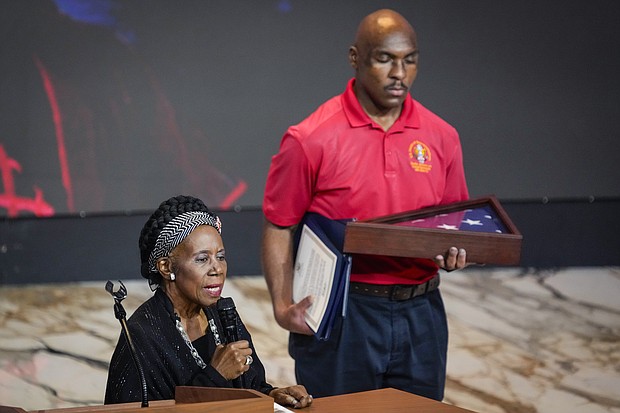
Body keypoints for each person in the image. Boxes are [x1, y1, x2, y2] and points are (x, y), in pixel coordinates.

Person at [262, 9, 469, 401]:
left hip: (422, 312)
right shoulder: (311, 138)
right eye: (385, 59)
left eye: (410, 60)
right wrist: (281, 304)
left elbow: (452, 225)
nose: (399, 73)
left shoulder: (442, 136)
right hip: (344, 313)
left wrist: (456, 252)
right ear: (356, 58)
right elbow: (278, 224)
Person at [105, 195, 312, 408]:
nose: (218, 269)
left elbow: (249, 387)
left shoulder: (222, 313)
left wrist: (274, 395)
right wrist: (215, 375)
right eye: (202, 259)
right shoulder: (142, 336)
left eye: (220, 257)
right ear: (166, 267)